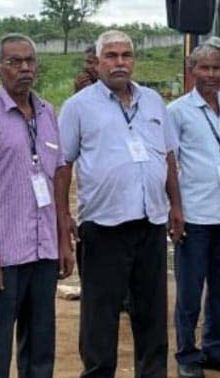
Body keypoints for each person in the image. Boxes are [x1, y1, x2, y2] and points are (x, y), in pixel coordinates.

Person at [55, 29, 186, 378]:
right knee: (100, 315)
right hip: (103, 226)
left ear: (134, 60)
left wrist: (176, 206)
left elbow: (168, 156)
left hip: (151, 222)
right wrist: (63, 215)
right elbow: (62, 165)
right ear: (97, 62)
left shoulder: (153, 101)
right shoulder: (78, 107)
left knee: (152, 313)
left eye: (126, 55)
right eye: (111, 56)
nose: (119, 63)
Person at [0, 34, 69, 378]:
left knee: (40, 348)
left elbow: (58, 176)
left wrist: (63, 242)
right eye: (14, 62)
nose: (24, 68)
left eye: (30, 61)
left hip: (44, 252)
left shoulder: (47, 113)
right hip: (2, 257)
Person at [168, 38, 220, 378]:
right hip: (194, 215)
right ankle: (187, 356)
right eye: (204, 67)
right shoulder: (177, 112)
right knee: (190, 291)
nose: (211, 74)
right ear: (192, 70)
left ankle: (215, 350)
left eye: (217, 68)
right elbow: (168, 163)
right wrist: (174, 209)